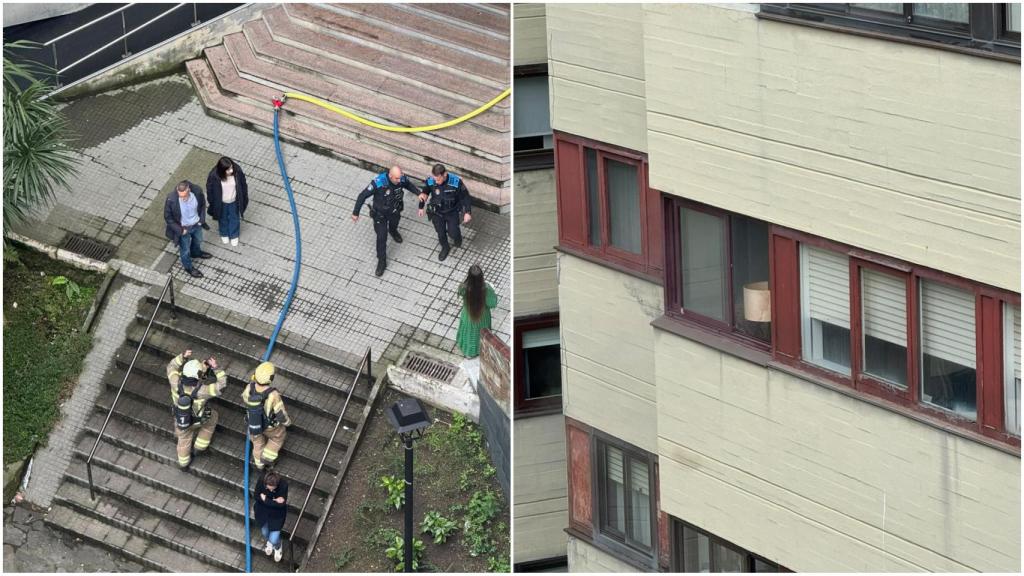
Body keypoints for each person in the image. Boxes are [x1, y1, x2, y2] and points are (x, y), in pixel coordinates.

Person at [351, 165, 424, 277]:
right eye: (397, 178)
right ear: (390, 176)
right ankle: (382, 261)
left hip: (394, 210)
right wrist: (356, 213)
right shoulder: (379, 183)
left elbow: (408, 185)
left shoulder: (401, 178)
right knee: (381, 238)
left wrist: (418, 193)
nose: (399, 181)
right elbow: (362, 196)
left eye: (400, 178)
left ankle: (393, 231)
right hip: (380, 215)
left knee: (394, 224)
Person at [167, 349, 227, 469]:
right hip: (197, 420)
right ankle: (200, 447)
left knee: (184, 438)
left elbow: (171, 366)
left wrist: (182, 356)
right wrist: (216, 368)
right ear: (197, 376)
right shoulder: (203, 391)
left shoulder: (175, 381)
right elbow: (222, 385)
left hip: (180, 418)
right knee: (213, 417)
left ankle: (183, 463)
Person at [243, 362, 292, 470]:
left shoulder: (249, 387)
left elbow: (246, 401)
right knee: (278, 438)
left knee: (257, 443)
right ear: (271, 378)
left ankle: (259, 465)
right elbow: (280, 414)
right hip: (270, 427)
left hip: (252, 423)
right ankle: (267, 458)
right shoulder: (273, 394)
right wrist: (287, 423)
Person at [419, 163, 472, 262]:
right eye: (435, 179)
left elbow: (465, 196)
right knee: (440, 233)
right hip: (437, 212)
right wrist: (421, 207)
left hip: (452, 212)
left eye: (438, 179)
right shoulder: (431, 180)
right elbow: (424, 193)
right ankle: (445, 247)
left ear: (445, 174)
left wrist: (467, 212)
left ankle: (457, 237)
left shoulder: (456, 182)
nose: (436, 182)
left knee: (453, 232)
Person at [164, 180, 211, 278]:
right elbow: (168, 217)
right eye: (180, 196)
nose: (183, 198)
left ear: (189, 189)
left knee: (198, 240)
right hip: (183, 228)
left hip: (196, 224)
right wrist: (180, 230)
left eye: (185, 195)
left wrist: (201, 220)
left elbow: (202, 205)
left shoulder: (197, 192)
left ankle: (196, 253)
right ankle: (188, 268)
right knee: (185, 250)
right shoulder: (171, 199)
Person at [456, 264, 498, 358]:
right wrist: (493, 290)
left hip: (468, 316)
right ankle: (482, 350)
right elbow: (492, 304)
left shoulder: (463, 287)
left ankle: (469, 353)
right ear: (481, 276)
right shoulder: (487, 289)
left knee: (469, 334)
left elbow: (460, 293)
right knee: (481, 335)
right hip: (482, 317)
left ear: (469, 277)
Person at [206, 156, 249, 246]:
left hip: (234, 201)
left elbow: (243, 185)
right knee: (222, 219)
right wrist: (212, 202)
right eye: (228, 170)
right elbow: (210, 190)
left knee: (234, 218)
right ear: (222, 170)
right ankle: (224, 233)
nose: (231, 171)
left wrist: (244, 198)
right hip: (221, 203)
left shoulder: (237, 172)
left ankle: (234, 235)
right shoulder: (214, 176)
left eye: (231, 168)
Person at [254, 470, 289, 563]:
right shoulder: (261, 480)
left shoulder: (283, 485)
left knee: (273, 539)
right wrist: (274, 501)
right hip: (263, 512)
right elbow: (256, 496)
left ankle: (277, 546)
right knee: (265, 532)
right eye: (268, 488)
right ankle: (271, 543)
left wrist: (265, 499)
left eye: (272, 489)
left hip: (277, 515)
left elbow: (281, 505)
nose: (270, 490)